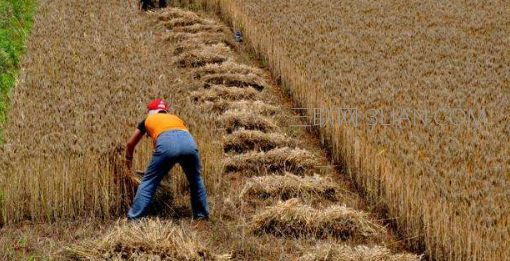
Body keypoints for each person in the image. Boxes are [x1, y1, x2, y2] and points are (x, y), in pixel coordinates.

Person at [125, 99, 210, 220]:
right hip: (189, 144)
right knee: (196, 179)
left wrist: (128, 161)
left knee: (148, 182)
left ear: (151, 112)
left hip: (167, 145)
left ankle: (134, 218)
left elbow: (130, 144)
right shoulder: (176, 118)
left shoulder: (148, 120)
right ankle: (202, 215)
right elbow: (179, 136)